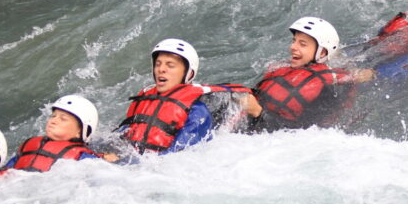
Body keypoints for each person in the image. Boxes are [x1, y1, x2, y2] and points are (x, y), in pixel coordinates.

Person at [116, 38, 251, 155]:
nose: (161, 69)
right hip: (133, 162)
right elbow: (122, 137)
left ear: (189, 74)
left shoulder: (197, 111)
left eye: (170, 65)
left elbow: (177, 155)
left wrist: (127, 162)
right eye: (158, 64)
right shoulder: (145, 98)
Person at [243, 17, 375, 130]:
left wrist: (258, 112)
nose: (293, 47)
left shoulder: (326, 83)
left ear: (322, 53)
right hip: (256, 122)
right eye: (294, 41)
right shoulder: (282, 68)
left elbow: (296, 132)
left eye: (303, 44)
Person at [6, 95, 114, 171]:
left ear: (80, 131)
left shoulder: (81, 157)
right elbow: (5, 172)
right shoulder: (29, 145)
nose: (53, 121)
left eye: (63, 119)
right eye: (53, 116)